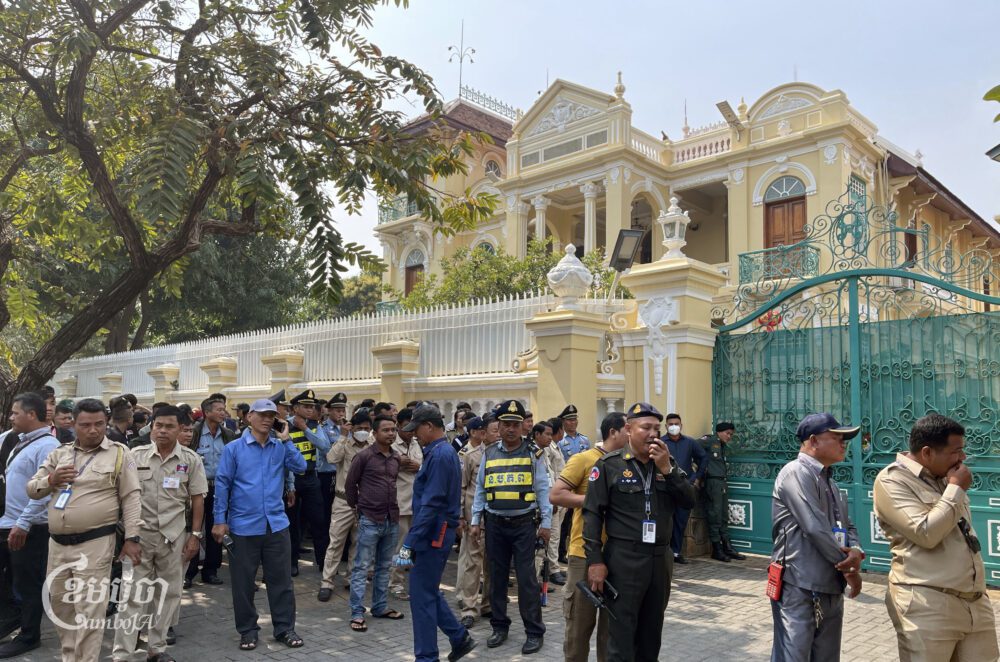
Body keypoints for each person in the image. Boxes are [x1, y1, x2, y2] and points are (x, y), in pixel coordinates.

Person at [873, 413, 998, 662]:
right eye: (956, 451)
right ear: (927, 452)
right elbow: (926, 533)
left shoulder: (944, 477)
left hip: (973, 600)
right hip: (927, 604)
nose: (962, 458)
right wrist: (955, 489)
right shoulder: (891, 481)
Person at [27, 398, 142, 662]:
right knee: (60, 606)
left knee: (90, 609)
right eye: (86, 425)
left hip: (96, 542)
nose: (93, 430)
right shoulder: (59, 454)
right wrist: (51, 480)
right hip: (57, 544)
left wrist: (133, 537)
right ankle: (72, 656)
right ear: (73, 424)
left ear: (106, 422)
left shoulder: (120, 453)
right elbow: (32, 490)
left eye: (99, 424)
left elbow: (132, 498)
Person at [583, 402, 697, 662]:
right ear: (628, 429)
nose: (653, 434)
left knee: (651, 634)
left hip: (659, 559)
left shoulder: (667, 465)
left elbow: (689, 500)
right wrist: (595, 561)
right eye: (646, 427)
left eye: (657, 428)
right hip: (624, 558)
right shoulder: (609, 465)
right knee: (621, 637)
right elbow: (591, 514)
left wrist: (668, 470)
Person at [112, 405, 208, 662]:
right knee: (131, 596)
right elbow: (121, 497)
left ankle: (157, 648)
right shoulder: (135, 456)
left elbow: (197, 500)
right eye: (158, 425)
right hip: (139, 539)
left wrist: (195, 536)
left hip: (174, 538)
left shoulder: (190, 460)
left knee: (168, 594)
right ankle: (123, 653)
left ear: (180, 430)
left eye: (169, 426)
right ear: (151, 427)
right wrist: (126, 537)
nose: (163, 430)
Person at [212, 398, 306, 652]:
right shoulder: (233, 449)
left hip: (276, 524)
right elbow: (222, 485)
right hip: (243, 526)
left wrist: (287, 440)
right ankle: (248, 630)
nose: (267, 419)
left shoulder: (279, 446)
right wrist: (220, 520)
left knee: (282, 581)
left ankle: (285, 628)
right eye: (262, 414)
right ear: (249, 417)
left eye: (272, 415)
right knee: (243, 584)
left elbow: (301, 466)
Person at [770, 413, 865, 662]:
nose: (844, 443)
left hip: (830, 584)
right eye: (837, 437)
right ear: (813, 441)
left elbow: (848, 524)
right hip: (800, 584)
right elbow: (814, 527)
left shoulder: (829, 480)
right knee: (794, 655)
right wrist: (849, 569)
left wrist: (855, 549)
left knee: (826, 656)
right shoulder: (795, 473)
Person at [393, 403, 475, 662]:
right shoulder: (439, 452)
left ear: (429, 426)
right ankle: (459, 637)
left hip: (433, 532)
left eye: (417, 429)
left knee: (421, 596)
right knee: (426, 590)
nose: (414, 434)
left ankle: (427, 656)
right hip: (435, 530)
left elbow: (431, 504)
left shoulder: (440, 455)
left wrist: (410, 544)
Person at [470, 399, 550, 655]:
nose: (511, 429)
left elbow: (542, 489)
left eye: (515, 424)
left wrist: (546, 524)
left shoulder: (533, 453)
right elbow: (481, 490)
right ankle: (499, 627)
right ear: (499, 426)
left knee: (527, 580)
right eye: (506, 424)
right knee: (496, 579)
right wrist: (475, 521)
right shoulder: (489, 453)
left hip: (524, 525)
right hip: (494, 525)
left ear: (522, 427)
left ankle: (535, 632)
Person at [550, 411, 627, 662]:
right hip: (583, 554)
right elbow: (557, 495)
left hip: (618, 555)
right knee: (579, 628)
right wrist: (592, 500)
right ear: (613, 432)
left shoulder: (629, 463)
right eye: (629, 428)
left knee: (611, 630)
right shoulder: (584, 459)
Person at [0, 393, 60, 658]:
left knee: (28, 582)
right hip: (6, 522)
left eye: (15, 413)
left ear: (31, 415)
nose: (11, 417)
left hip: (29, 527)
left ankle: (29, 636)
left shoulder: (48, 446)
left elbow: (46, 491)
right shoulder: (15, 440)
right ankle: (13, 617)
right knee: (10, 579)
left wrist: (23, 524)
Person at [345, 415, 404, 631]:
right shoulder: (363, 457)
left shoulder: (396, 457)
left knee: (384, 566)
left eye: (393, 430)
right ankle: (357, 612)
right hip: (370, 519)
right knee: (361, 567)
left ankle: (380, 607)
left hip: (392, 519)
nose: (391, 433)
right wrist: (357, 509)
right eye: (386, 430)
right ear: (375, 433)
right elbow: (351, 485)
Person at [318, 410, 372, 601]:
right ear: (352, 428)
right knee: (336, 543)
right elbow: (331, 459)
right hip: (343, 501)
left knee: (359, 544)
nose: (363, 432)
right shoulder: (344, 444)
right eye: (359, 428)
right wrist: (342, 436)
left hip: (365, 502)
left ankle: (352, 578)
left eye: (367, 428)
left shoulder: (373, 446)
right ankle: (327, 582)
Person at [186, 396, 237, 588]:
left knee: (217, 528)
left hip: (220, 488)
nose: (223, 412)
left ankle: (211, 571)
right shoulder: (195, 433)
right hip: (198, 488)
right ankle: (189, 572)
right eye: (219, 409)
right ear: (207, 413)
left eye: (224, 409)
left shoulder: (228, 434)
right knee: (194, 529)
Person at [286, 389, 332, 576]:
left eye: (312, 407)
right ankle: (292, 563)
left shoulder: (314, 426)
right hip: (293, 479)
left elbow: (325, 446)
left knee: (318, 521)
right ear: (295, 408)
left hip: (312, 478)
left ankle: (323, 562)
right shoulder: (285, 426)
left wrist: (305, 428)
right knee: (292, 523)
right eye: (306, 407)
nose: (310, 410)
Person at [456, 416, 491, 627]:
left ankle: (488, 604)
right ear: (482, 433)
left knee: (492, 564)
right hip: (474, 519)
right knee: (472, 563)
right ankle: (469, 607)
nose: (498, 434)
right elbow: (462, 488)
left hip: (495, 518)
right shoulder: (469, 455)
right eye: (493, 430)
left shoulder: (500, 455)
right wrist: (461, 516)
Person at [660, 413, 706, 565]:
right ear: (666, 426)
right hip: (665, 488)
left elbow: (703, 458)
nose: (674, 426)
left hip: (684, 487)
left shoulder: (690, 442)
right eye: (671, 424)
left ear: (681, 425)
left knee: (680, 521)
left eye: (677, 423)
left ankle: (676, 552)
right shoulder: (661, 443)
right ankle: (663, 552)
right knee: (665, 520)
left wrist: (696, 477)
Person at [699, 422, 746, 562]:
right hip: (712, 482)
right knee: (715, 515)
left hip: (721, 482)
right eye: (727, 433)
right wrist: (699, 470)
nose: (729, 436)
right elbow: (693, 448)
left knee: (723, 515)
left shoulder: (721, 445)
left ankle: (727, 547)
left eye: (731, 434)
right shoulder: (709, 441)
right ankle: (716, 549)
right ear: (719, 432)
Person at [389, 407, 423, 598]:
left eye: (413, 428)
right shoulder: (392, 444)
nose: (410, 431)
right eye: (406, 427)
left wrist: (419, 466)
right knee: (401, 547)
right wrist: (397, 463)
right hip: (400, 504)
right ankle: (396, 584)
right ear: (398, 426)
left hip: (417, 504)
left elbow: (422, 466)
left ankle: (404, 580)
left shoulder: (417, 444)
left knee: (412, 547)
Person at [533, 420, 567, 586]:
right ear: (537, 435)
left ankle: (541, 576)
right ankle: (534, 579)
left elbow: (550, 477)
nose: (550, 437)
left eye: (550, 433)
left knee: (549, 539)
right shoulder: (533, 453)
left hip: (551, 501)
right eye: (546, 434)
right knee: (539, 544)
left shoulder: (543, 452)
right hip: (541, 505)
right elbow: (540, 483)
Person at [316, 393, 348, 537]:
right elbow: (328, 452)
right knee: (327, 511)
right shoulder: (322, 428)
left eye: (343, 410)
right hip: (328, 474)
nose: (341, 414)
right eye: (337, 410)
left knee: (344, 511)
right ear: (329, 411)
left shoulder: (347, 429)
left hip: (344, 474)